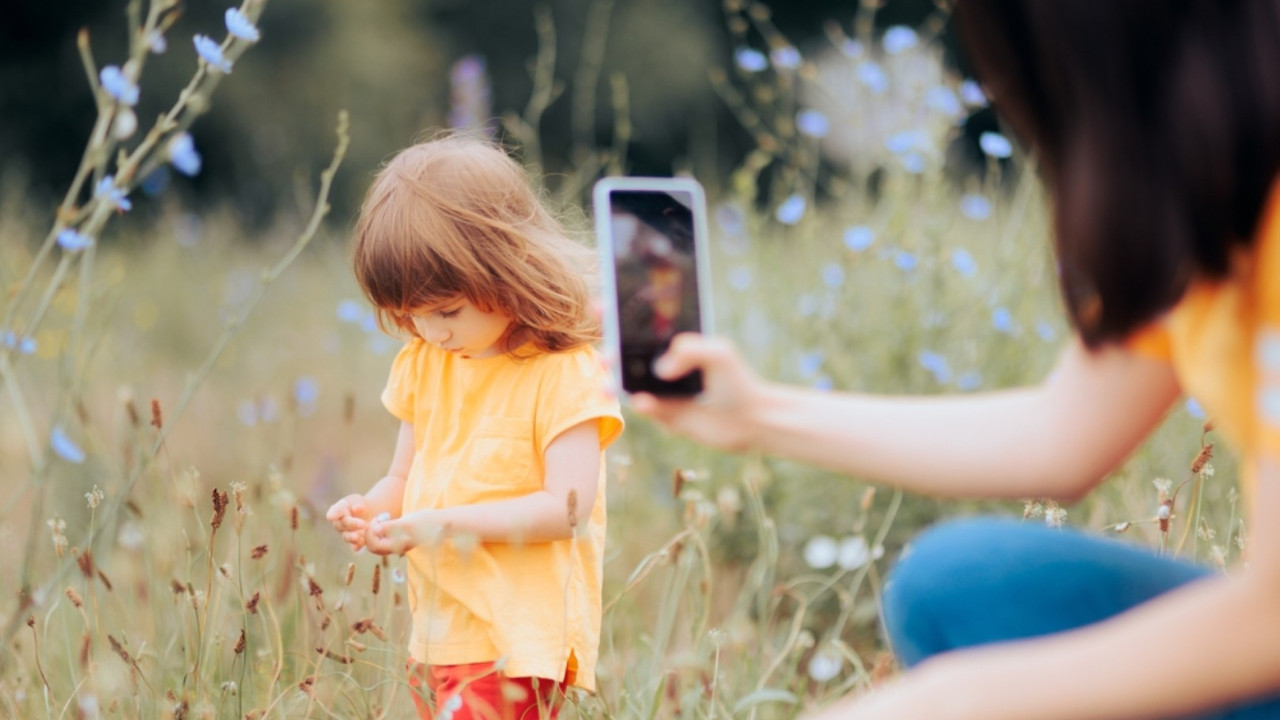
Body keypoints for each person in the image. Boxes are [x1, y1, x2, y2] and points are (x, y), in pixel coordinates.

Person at [634, 1, 1280, 718]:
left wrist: (954, 699)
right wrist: (758, 412)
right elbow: (1061, 436)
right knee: (962, 581)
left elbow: (1269, 623)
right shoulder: (1205, 204)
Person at [325, 135, 624, 720]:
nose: (430, 331)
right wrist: (376, 512)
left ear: (505, 268)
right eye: (410, 314)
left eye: (446, 311)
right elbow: (404, 476)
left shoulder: (562, 372)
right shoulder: (425, 361)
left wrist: (436, 527)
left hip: (515, 638)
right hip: (439, 626)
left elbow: (566, 510)